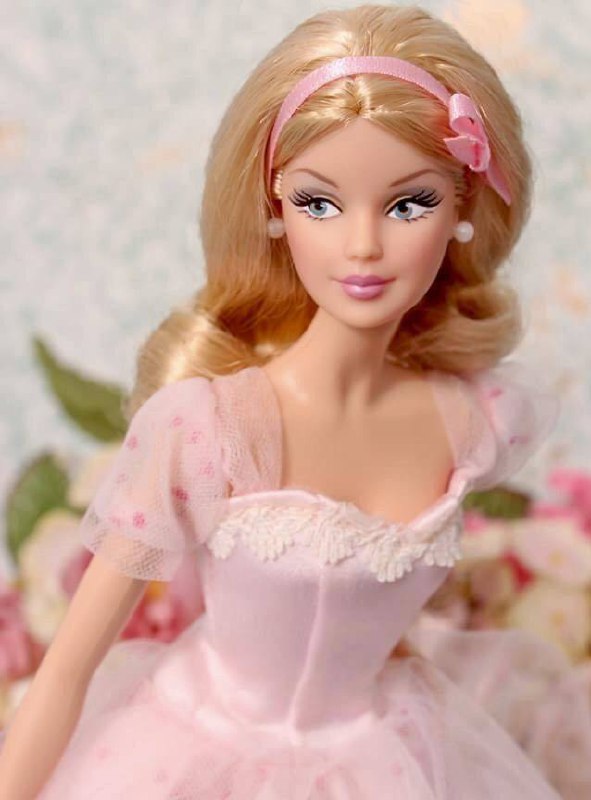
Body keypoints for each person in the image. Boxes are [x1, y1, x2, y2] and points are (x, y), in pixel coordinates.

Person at [0, 4, 562, 798]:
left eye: (408, 204)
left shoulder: (476, 420)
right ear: (272, 210)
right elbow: (65, 673)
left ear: (464, 211)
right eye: (318, 203)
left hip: (385, 757)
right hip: (194, 756)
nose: (362, 246)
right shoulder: (206, 430)